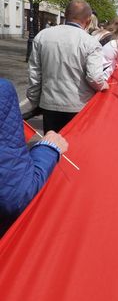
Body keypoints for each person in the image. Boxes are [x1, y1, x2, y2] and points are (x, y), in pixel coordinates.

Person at [25, 0, 108, 133]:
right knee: (75, 149)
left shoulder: (42, 36)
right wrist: (103, 85)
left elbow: (34, 73)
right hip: (79, 106)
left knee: (52, 148)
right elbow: (94, 77)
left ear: (66, 15)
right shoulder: (91, 43)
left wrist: (35, 101)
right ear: (88, 20)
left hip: (49, 104)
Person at [1, 79, 68, 235]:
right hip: (75, 102)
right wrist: (49, 149)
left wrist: (35, 99)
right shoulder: (3, 91)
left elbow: (36, 73)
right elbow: (16, 196)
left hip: (49, 101)